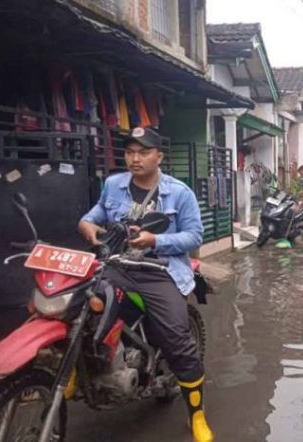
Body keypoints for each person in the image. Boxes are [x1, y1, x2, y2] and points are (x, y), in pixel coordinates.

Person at [78, 127, 213, 442]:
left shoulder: (179, 193)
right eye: (129, 152)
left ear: (159, 156)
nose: (135, 159)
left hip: (159, 270)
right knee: (81, 310)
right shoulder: (113, 185)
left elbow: (194, 236)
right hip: (116, 266)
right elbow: (94, 214)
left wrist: (157, 240)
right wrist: (86, 224)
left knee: (179, 343)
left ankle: (197, 415)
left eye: (143, 152)